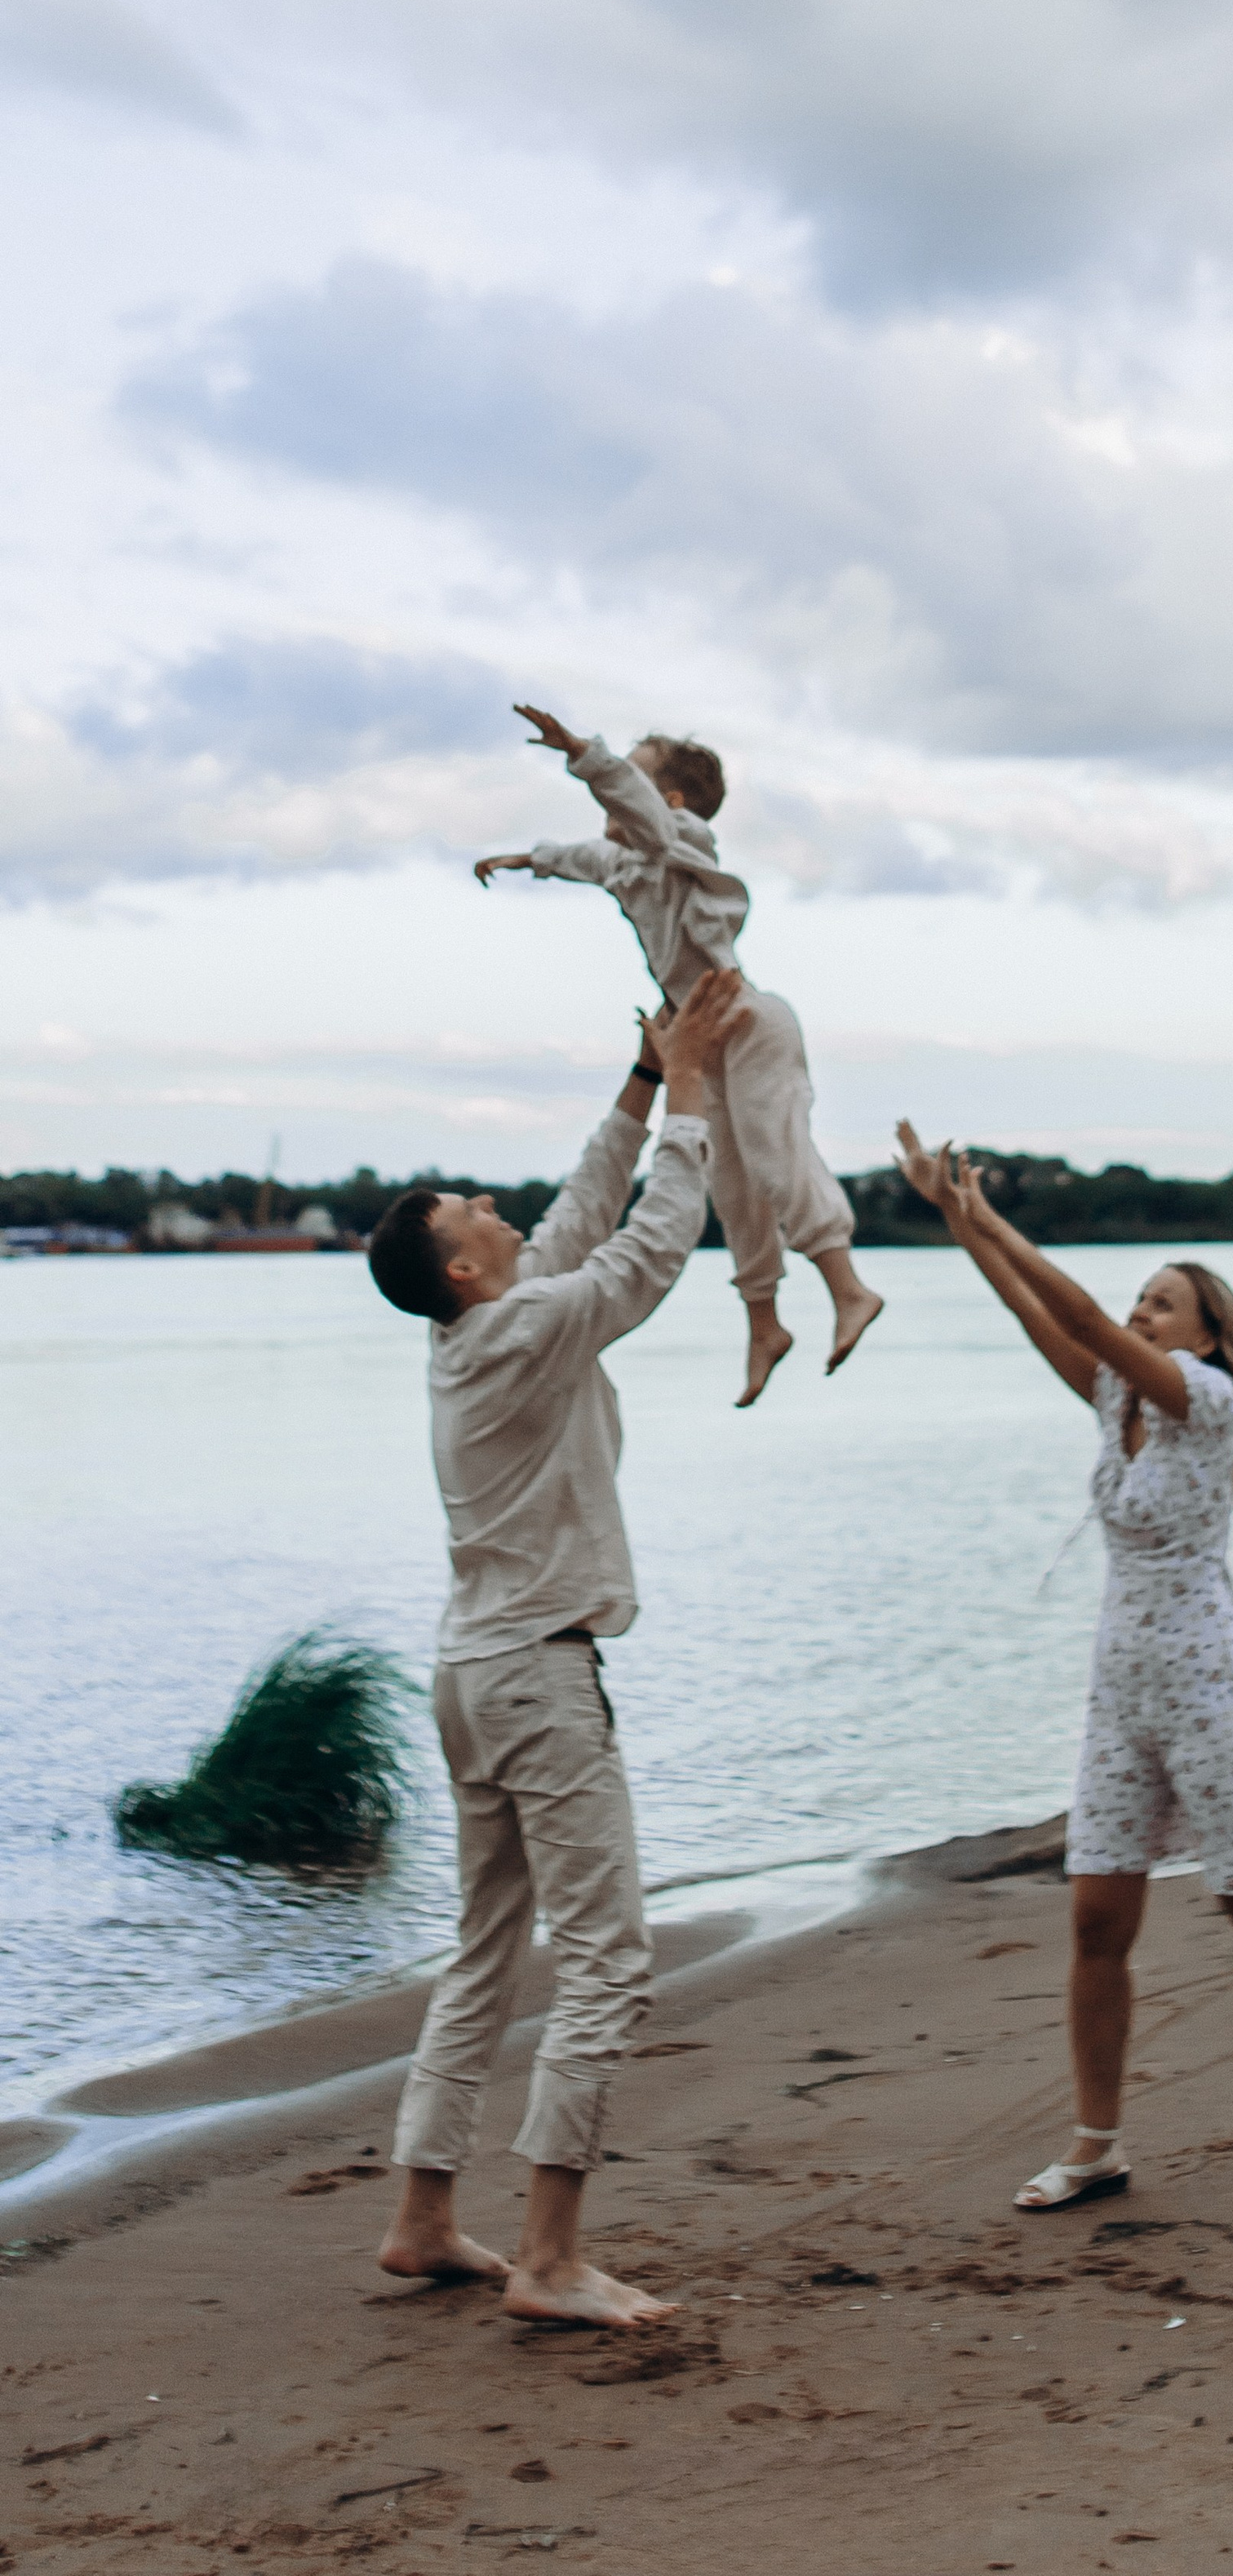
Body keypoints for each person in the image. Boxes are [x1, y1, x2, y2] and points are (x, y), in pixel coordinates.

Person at [893, 1125, 1233, 2209]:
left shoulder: (1209, 1403)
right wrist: (954, 1216)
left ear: (1204, 1335)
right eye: (1140, 1300)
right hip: (1122, 1692)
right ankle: (1096, 2143)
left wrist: (994, 1214)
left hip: (1206, 1687)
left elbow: (1083, 1317)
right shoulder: (1121, 1403)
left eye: (1162, 1303)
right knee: (1097, 1923)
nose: (1140, 1314)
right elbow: (1034, 1311)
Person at [366, 970, 752, 2330]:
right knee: (608, 1956)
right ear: (465, 1266)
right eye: (475, 1208)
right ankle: (549, 2257)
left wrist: (647, 1077)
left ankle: (422, 2219)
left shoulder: (481, 1326)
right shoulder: (524, 1325)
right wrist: (697, 1096)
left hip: (474, 1675)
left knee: (486, 1952)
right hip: (531, 1673)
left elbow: (588, 1210)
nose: (497, 1202)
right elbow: (648, 1247)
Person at [474, 702, 881, 1407]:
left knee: (777, 1157)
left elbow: (643, 815)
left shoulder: (681, 840)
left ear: (670, 799)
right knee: (733, 1184)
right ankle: (764, 1324)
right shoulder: (630, 863)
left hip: (747, 1021)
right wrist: (525, 858)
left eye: (631, 778)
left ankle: (848, 1288)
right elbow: (583, 858)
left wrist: (581, 751)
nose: (616, 790)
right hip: (702, 1037)